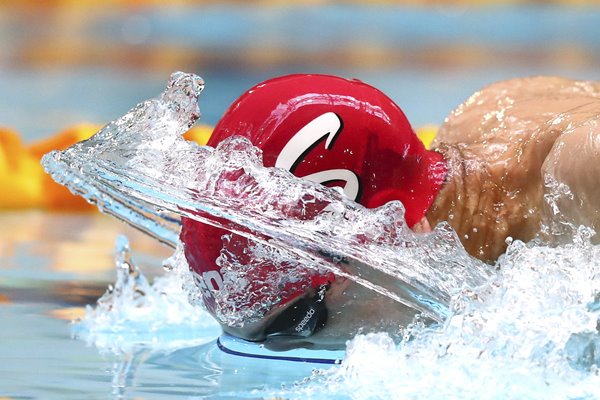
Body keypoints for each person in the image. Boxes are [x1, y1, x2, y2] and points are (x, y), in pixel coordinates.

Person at [180, 74, 600, 347]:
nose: (283, 350)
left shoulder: (583, 178)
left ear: (381, 242)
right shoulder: (486, 113)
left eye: (298, 322)